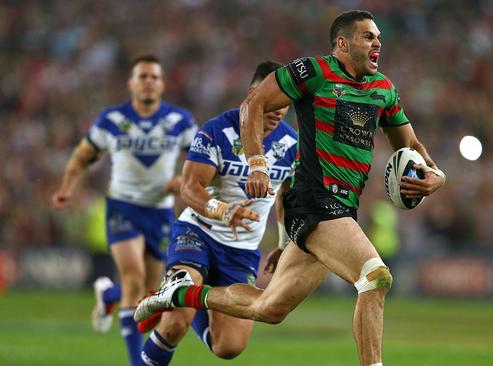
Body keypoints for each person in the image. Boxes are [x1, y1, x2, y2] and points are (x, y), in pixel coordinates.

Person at [135, 10, 446, 366]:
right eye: (368, 36)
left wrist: (436, 175)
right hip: (313, 201)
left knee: (268, 307)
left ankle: (182, 293)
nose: (377, 42)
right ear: (342, 43)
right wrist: (256, 163)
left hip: (341, 209)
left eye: (378, 37)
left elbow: (411, 147)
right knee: (374, 277)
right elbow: (254, 103)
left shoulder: (383, 90)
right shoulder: (313, 72)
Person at [137, 61, 297, 365]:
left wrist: (283, 244)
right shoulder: (217, 130)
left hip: (241, 250)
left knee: (229, 347)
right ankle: (179, 299)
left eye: (286, 103)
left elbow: (287, 198)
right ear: (254, 93)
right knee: (174, 325)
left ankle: (180, 297)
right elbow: (190, 187)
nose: (278, 110)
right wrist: (222, 211)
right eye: (274, 100)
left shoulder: (291, 145)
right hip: (198, 233)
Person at [51, 55, 197, 366]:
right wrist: (67, 187)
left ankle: (107, 297)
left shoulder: (179, 120)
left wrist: (182, 179)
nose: (148, 81)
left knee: (150, 292)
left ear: (162, 84)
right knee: (133, 281)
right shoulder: (112, 119)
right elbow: (84, 154)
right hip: (123, 207)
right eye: (142, 76)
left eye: (154, 77)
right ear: (131, 83)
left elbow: (202, 162)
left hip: (159, 212)